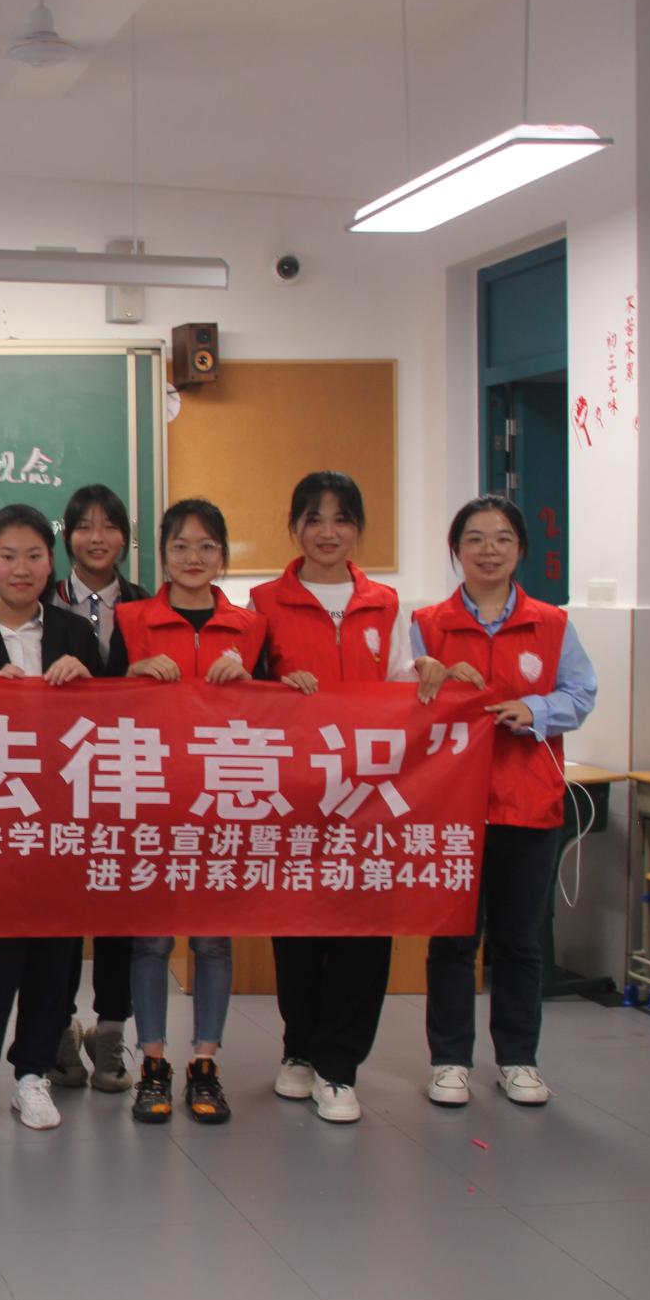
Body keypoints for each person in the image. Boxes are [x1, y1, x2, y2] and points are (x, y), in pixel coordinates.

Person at [415, 495, 596, 1109]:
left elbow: (581, 692)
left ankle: (519, 1059)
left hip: (528, 803)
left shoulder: (552, 623)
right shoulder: (427, 624)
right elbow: (401, 699)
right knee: (453, 941)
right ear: (456, 549)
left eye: (501, 539)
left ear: (520, 549)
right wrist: (433, 682)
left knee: (520, 941)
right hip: (451, 809)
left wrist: (536, 709)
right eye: (474, 538)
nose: (488, 551)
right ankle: (449, 1061)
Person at [249, 472, 410, 1124]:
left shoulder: (388, 605)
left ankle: (339, 1065)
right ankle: (300, 1047)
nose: (327, 531)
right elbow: (247, 695)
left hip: (370, 798)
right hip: (296, 796)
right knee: (298, 928)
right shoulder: (262, 602)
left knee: (364, 931)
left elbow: (404, 687)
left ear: (359, 529)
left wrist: (429, 676)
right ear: (294, 527)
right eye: (314, 518)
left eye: (342, 518)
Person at [118, 498, 268, 1125]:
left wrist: (254, 684)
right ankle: (153, 1064)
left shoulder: (251, 626)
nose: (193, 557)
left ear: (223, 555)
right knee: (152, 940)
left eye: (207, 546)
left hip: (222, 802)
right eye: (180, 545)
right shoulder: (131, 618)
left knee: (212, 939)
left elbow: (276, 715)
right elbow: (99, 705)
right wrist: (131, 671)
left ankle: (206, 1062)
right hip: (153, 798)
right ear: (163, 553)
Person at [0, 504, 99, 1131]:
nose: (21, 568)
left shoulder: (75, 632)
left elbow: (117, 720)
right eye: (8, 556)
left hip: (60, 816)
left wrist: (86, 678)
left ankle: (34, 1073)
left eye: (34, 555)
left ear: (50, 562)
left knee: (53, 949)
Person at [45, 484, 149, 1092]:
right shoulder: (43, 602)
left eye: (110, 526)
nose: (97, 537)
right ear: (67, 537)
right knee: (59, 915)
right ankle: (59, 1030)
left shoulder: (147, 606)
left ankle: (111, 1031)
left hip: (128, 780)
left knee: (118, 910)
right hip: (58, 783)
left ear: (125, 538)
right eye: (84, 526)